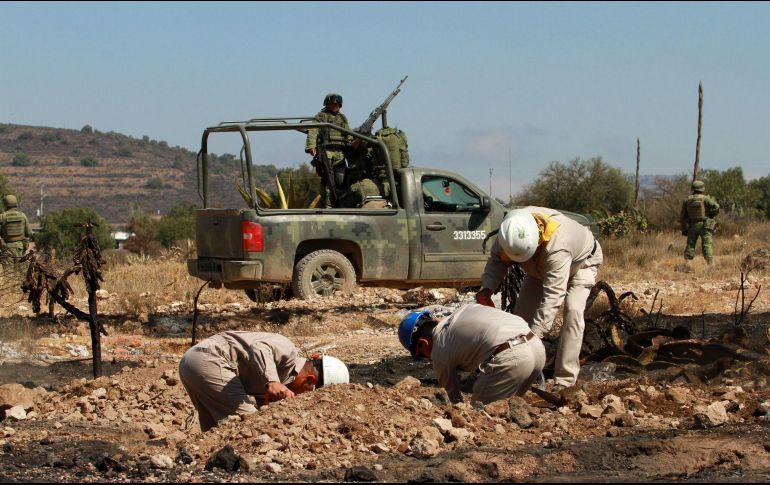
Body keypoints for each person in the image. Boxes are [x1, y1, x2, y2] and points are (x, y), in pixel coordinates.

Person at [475, 207, 602, 392]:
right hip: (538, 269)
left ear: (536, 243)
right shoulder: (510, 230)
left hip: (582, 263)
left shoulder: (558, 245)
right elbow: (496, 261)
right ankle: (513, 370)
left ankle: (565, 380)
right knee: (520, 319)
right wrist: (486, 289)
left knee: (573, 312)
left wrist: (534, 337)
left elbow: (553, 297)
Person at [179, 331, 349, 432]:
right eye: (306, 395)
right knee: (248, 427)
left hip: (193, 364)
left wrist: (268, 405)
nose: (299, 398)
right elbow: (259, 348)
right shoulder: (288, 351)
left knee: (215, 432)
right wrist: (273, 381)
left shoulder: (283, 378)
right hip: (210, 359)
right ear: (310, 380)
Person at [397, 303, 545, 405]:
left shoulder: (439, 350)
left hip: (513, 359)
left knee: (480, 415)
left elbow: (454, 400)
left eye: (423, 355)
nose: (429, 360)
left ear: (423, 343)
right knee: (507, 408)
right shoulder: (466, 310)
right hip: (537, 347)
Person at [305, 93, 353, 208]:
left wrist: (351, 142)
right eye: (333, 104)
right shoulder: (321, 116)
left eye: (338, 104)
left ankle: (339, 203)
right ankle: (327, 205)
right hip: (326, 151)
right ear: (327, 104)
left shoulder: (342, 118)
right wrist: (311, 146)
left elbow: (348, 132)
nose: (336, 106)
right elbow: (313, 131)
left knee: (341, 180)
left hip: (340, 153)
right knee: (328, 180)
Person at [680, 180, 719, 264]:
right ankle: (710, 263)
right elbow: (716, 207)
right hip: (705, 225)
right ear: (702, 189)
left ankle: (687, 263)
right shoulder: (705, 199)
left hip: (692, 225)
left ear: (693, 189)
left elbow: (683, 216)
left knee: (690, 244)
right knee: (707, 244)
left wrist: (685, 228)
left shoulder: (687, 200)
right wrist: (712, 215)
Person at [0, 195, 33, 270]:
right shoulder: (22, 216)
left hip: (6, 247)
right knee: (20, 272)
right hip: (19, 247)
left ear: (5, 204)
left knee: (8, 273)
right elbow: (29, 233)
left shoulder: (2, 217)